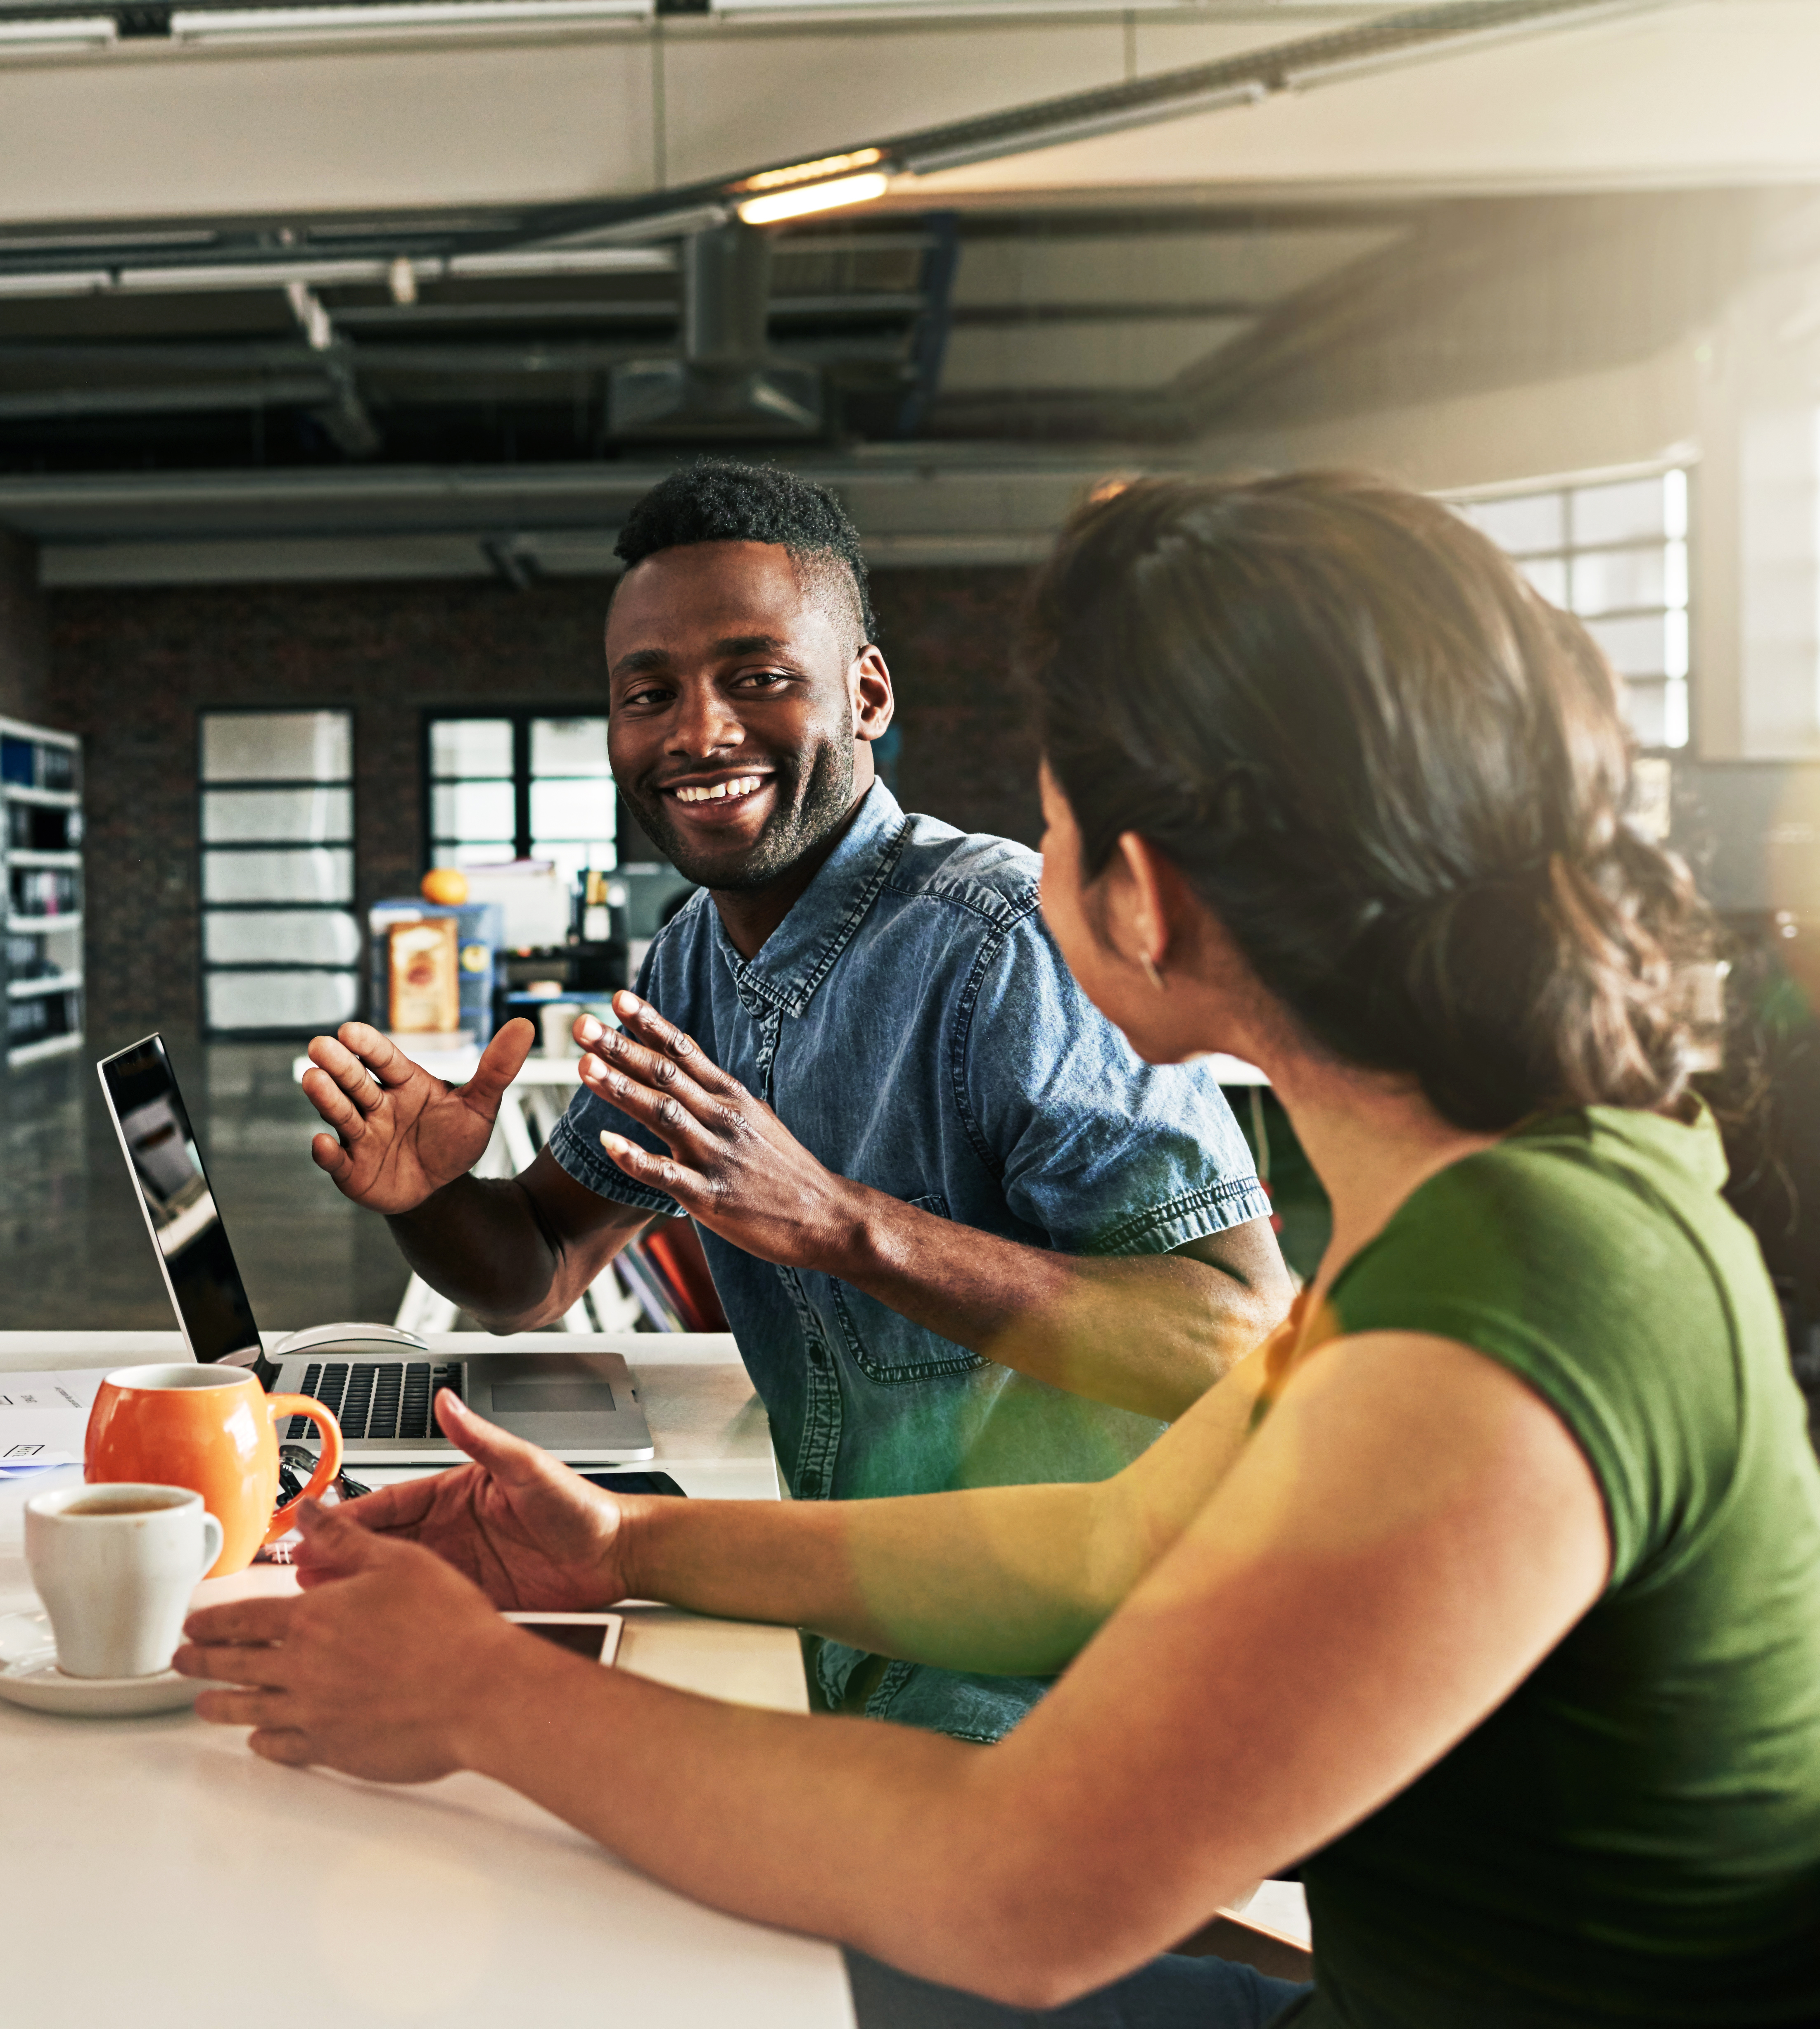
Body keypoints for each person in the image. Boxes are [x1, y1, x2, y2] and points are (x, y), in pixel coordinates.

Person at [182, 472, 1820, 2026]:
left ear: (1149, 896)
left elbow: (1020, 1889)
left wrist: (477, 1694)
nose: (1029, 865)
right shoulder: (1525, 1205)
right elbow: (1107, 1552)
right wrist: (617, 1551)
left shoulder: (1506, 1305)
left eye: (1050, 821)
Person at [300, 462, 1290, 1739]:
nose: (697, 733)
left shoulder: (1003, 940)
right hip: (843, 1622)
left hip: (1057, 1682)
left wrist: (840, 1222)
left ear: (867, 691)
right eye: (647, 694)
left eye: (758, 677)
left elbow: (1239, 1348)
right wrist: (429, 1193)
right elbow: (536, 1269)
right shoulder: (693, 961)